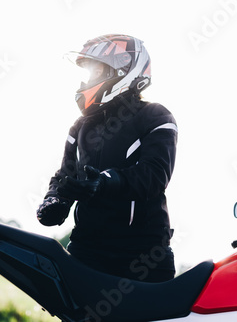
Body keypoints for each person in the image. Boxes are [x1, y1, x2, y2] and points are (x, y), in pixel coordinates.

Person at [36, 34, 178, 283]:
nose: (89, 79)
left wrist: (105, 182)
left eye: (97, 70)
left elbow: (155, 175)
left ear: (124, 70)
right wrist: (55, 200)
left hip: (143, 257)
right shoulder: (80, 127)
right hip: (87, 251)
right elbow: (65, 176)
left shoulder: (155, 116)